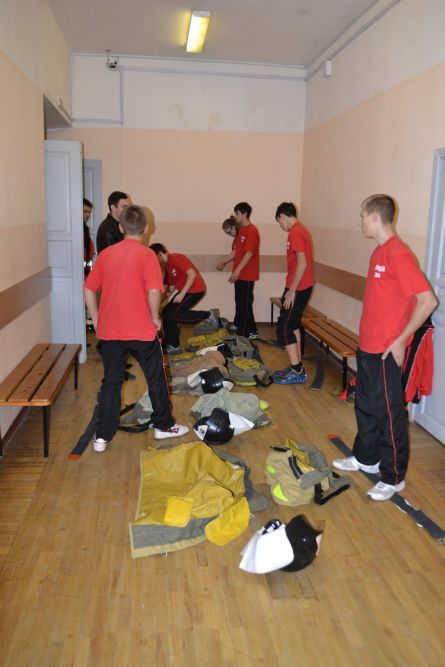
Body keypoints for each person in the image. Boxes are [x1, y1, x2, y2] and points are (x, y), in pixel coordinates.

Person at [333, 194, 438, 501]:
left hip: (385, 351)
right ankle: (366, 457)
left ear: (375, 217)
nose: (360, 221)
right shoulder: (379, 252)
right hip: (368, 346)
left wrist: (401, 339)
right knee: (365, 405)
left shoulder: (399, 254)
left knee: (388, 414)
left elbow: (428, 301)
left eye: (362, 215)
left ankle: (393, 478)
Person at [84, 205, 189, 452]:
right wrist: (155, 318)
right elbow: (154, 291)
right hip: (142, 331)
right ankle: (164, 425)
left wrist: (96, 319)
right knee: (156, 378)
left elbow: (88, 289)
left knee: (111, 381)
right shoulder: (148, 256)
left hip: (111, 332)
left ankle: (102, 437)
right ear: (146, 228)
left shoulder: (106, 255)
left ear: (121, 227)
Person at [272, 202, 315, 385]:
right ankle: (296, 366)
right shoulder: (301, 230)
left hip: (298, 287)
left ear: (283, 216)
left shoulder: (296, 231)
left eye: (279, 222)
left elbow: (302, 263)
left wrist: (292, 290)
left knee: (285, 326)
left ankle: (297, 370)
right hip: (301, 286)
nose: (281, 226)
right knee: (293, 324)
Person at [150, 243, 219, 354]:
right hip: (186, 291)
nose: (154, 262)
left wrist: (181, 294)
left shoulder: (175, 258)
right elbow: (169, 288)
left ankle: (208, 315)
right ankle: (173, 346)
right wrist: (157, 304)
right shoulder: (167, 266)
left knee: (173, 314)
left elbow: (192, 275)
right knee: (167, 312)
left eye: (154, 258)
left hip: (196, 289)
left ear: (159, 254)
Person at [216, 203, 260, 339]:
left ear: (244, 214)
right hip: (240, 274)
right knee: (240, 302)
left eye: (237, 213)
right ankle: (248, 330)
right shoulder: (243, 231)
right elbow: (236, 252)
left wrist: (237, 271)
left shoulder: (252, 231)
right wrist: (223, 262)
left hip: (247, 274)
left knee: (245, 304)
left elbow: (249, 253)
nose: (235, 216)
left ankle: (245, 333)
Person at [83, 198, 94, 276]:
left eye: (89, 212)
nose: (88, 215)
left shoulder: (85, 228)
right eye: (85, 211)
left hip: (86, 265)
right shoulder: (77, 230)